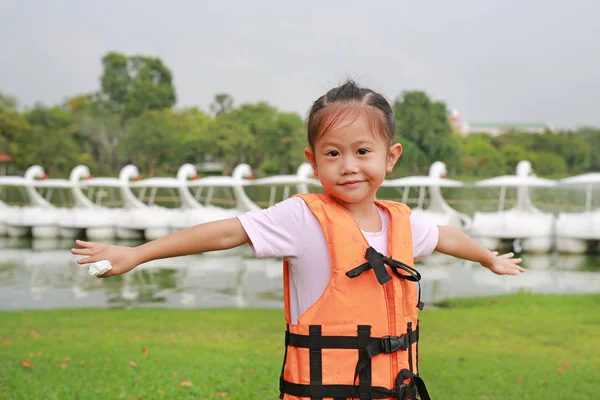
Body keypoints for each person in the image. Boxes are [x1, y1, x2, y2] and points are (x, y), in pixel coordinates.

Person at [72, 80, 524, 400]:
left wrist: (488, 259)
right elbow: (228, 231)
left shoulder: (400, 223)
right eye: (333, 153)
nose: (348, 165)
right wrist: (137, 253)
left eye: (362, 151)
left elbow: (446, 237)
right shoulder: (303, 219)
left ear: (391, 157)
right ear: (313, 161)